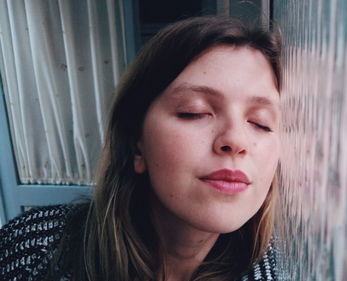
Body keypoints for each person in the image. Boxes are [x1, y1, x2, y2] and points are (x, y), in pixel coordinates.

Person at [0, 16, 282, 281]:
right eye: (194, 112)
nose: (236, 140)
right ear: (137, 142)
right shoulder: (34, 250)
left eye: (262, 123)